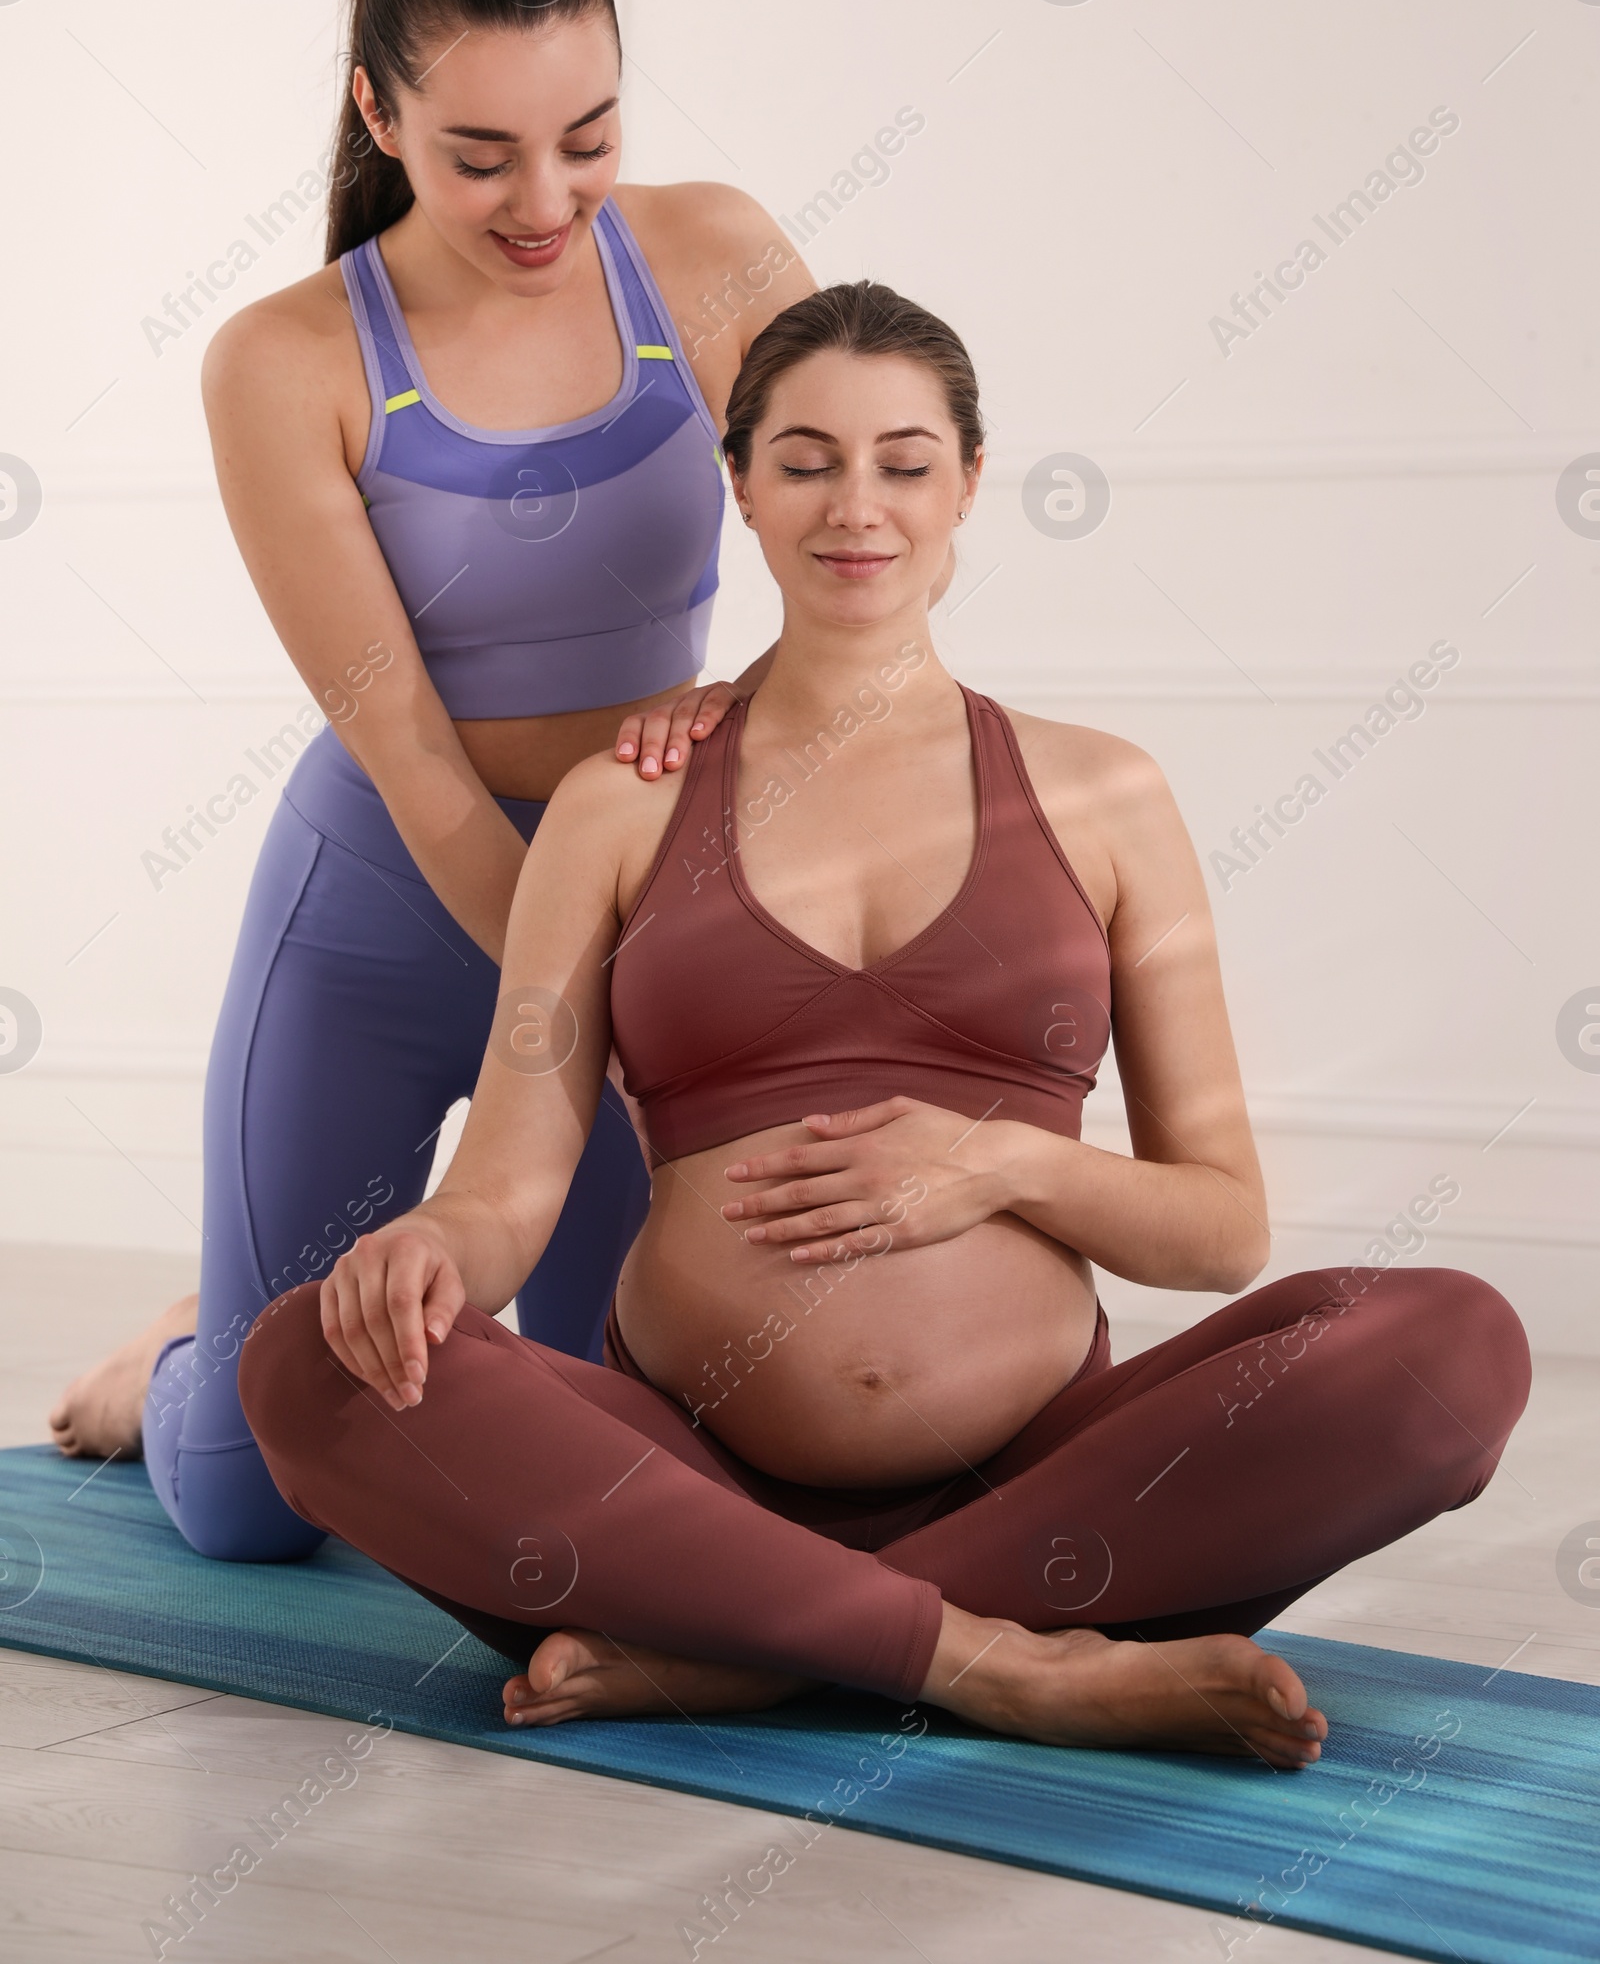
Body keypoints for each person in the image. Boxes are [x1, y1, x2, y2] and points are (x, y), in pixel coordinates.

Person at [239, 281, 1530, 1762]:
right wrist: (428, 1249)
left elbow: (1222, 1228)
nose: (859, 507)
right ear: (740, 484)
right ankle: (1004, 1663)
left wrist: (1003, 1168)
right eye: (805, 461)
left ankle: (762, 1645)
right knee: (306, 1360)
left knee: (1458, 1347)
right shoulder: (622, 801)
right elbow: (512, 1187)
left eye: (905, 463)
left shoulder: (1107, 794)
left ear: (971, 483)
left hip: (1047, 1484)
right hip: (685, 1481)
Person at [48, 0, 817, 1561]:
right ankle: (183, 1347)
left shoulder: (707, 256)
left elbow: (858, 565)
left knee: (621, 1446)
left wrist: (721, 795)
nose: (549, 199)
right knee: (259, 1504)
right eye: (482, 155)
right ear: (377, 117)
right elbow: (409, 753)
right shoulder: (286, 361)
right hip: (391, 897)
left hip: (637, 886)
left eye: (590, 137)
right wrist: (581, 1002)